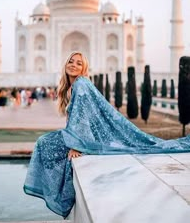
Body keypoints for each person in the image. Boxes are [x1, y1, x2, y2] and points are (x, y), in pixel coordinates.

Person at [23, 51, 190, 218]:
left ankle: (58, 193)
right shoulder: (74, 86)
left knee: (44, 143)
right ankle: (58, 190)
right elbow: (76, 118)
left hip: (88, 136)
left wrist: (76, 144)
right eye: (71, 61)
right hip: (81, 134)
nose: (73, 65)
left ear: (84, 69)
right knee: (45, 143)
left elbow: (82, 116)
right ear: (65, 64)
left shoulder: (81, 83)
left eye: (79, 63)